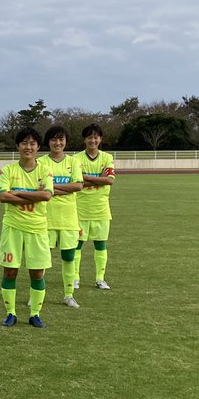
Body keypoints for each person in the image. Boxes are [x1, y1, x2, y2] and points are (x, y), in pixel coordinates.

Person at [0, 127, 54, 328]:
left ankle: (35, 314)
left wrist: (17, 194)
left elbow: (47, 195)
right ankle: (10, 313)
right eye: (24, 143)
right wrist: (34, 194)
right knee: (9, 272)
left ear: (38, 147)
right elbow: (3, 196)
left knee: (37, 273)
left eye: (32, 143)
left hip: (37, 228)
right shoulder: (8, 170)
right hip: (12, 227)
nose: (28, 147)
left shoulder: (45, 170)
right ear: (18, 146)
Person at [40, 125, 84, 308]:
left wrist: (51, 189)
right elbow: (40, 188)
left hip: (68, 219)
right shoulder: (41, 162)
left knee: (69, 258)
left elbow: (78, 185)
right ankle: (37, 295)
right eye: (53, 139)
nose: (57, 143)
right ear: (48, 142)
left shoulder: (73, 162)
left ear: (66, 141)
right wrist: (63, 189)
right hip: (45, 218)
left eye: (61, 139)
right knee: (42, 259)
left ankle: (69, 295)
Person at [74, 123, 116, 290]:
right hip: (80, 209)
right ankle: (75, 278)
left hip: (101, 209)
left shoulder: (107, 157)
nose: (93, 140)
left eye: (96, 137)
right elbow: (77, 182)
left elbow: (110, 180)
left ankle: (100, 278)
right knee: (77, 245)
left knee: (100, 244)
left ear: (100, 139)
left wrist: (87, 178)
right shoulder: (76, 159)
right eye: (89, 137)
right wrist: (99, 178)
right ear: (84, 139)